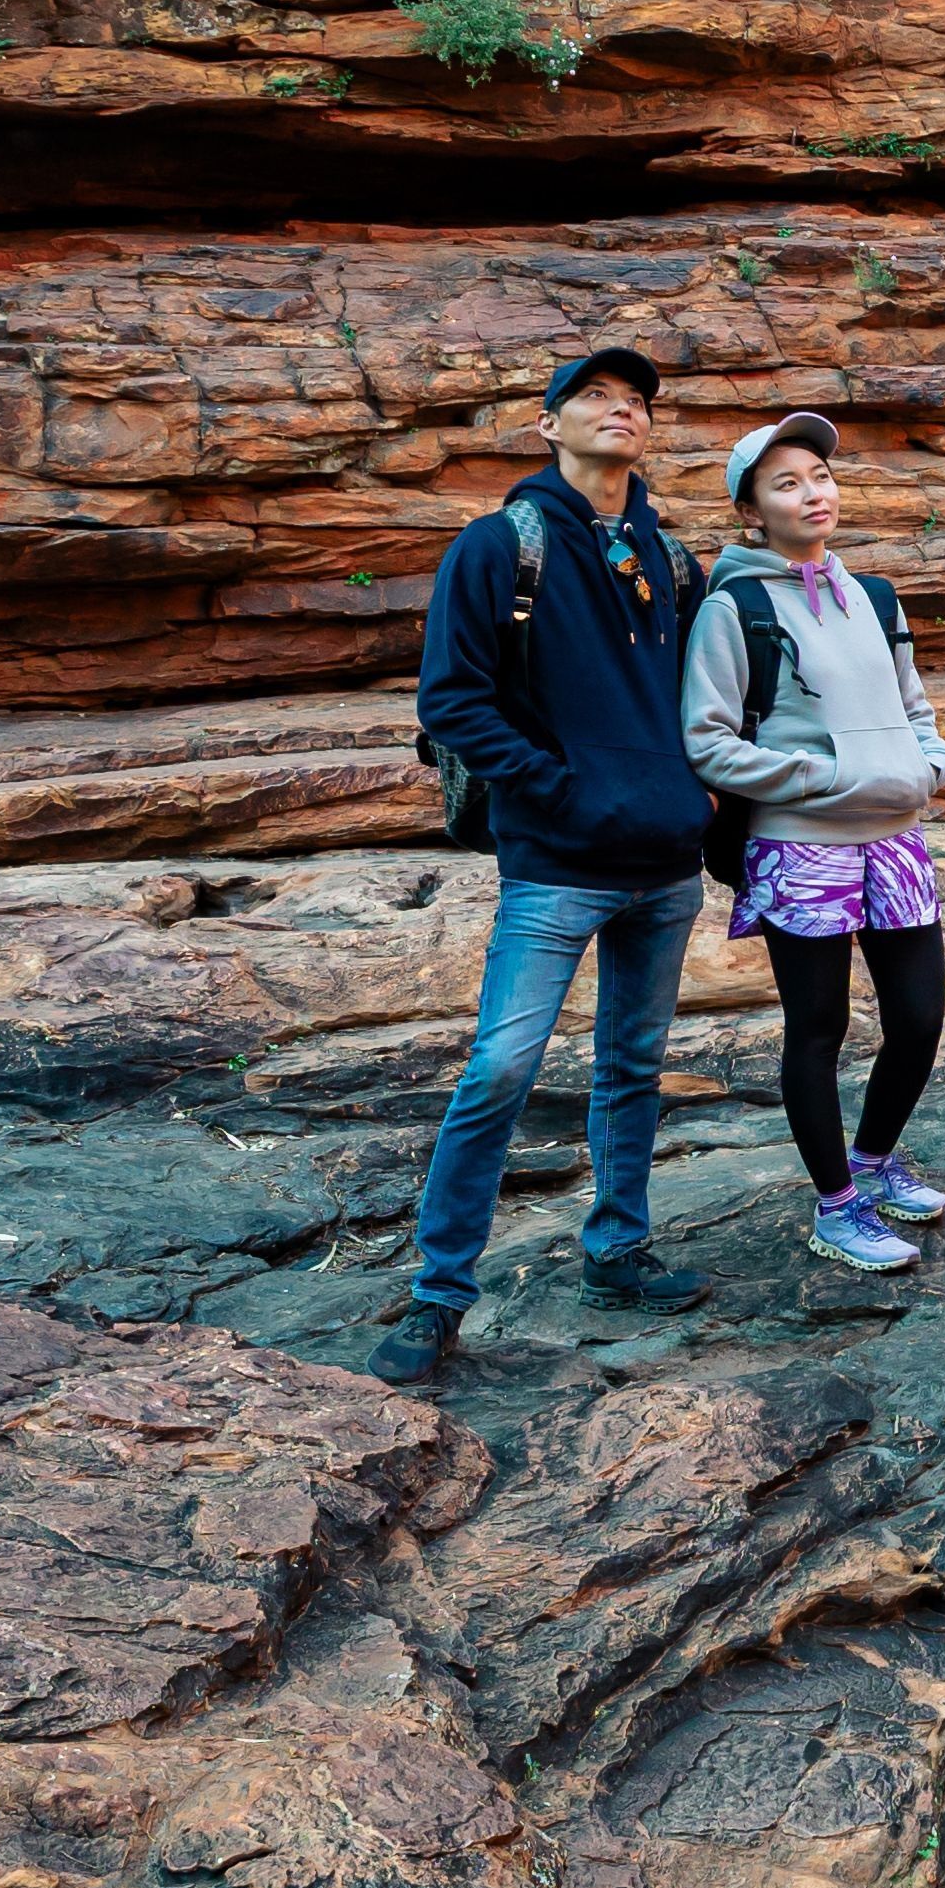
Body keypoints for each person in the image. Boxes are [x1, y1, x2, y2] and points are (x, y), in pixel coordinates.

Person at [375, 342, 716, 1383]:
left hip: (666, 866)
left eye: (637, 402)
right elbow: (451, 702)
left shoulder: (673, 558)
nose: (623, 412)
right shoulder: (498, 547)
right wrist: (563, 789)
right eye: (596, 398)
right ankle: (439, 1298)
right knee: (501, 1069)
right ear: (548, 425)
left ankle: (617, 1249)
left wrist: (696, 799)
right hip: (557, 862)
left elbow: (704, 702)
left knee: (632, 1065)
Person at [687, 405, 945, 1281]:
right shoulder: (734, 607)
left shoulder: (874, 595)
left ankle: (877, 1165)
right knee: (819, 1026)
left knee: (919, 1018)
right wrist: (824, 781)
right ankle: (836, 1207)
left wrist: (931, 764)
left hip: (896, 839)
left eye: (822, 476)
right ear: (750, 511)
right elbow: (709, 739)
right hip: (802, 844)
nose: (814, 493)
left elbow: (916, 709)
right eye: (787, 483)